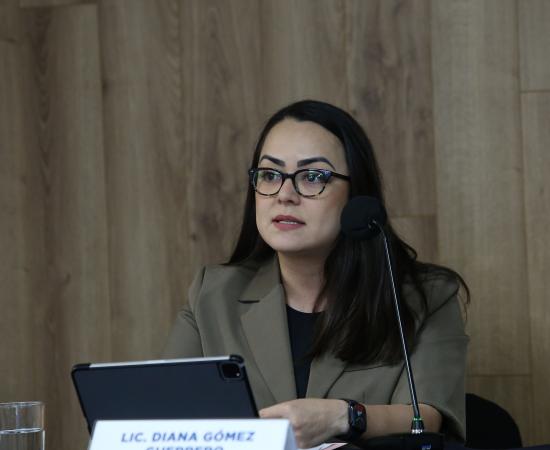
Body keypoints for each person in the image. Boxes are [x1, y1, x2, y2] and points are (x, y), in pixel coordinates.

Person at [164, 100, 469, 448]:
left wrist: (342, 416)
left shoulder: (426, 296)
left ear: (356, 195)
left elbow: (427, 416)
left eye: (312, 177)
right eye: (270, 175)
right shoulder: (212, 294)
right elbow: (160, 416)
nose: (285, 195)